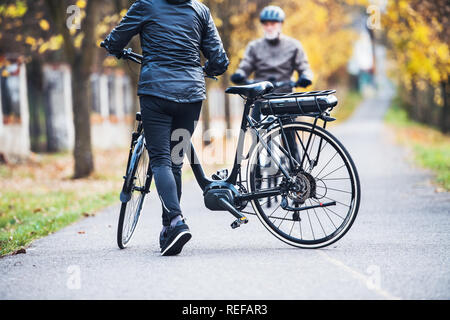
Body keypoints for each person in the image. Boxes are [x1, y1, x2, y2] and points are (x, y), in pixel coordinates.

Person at [102, 0, 229, 256]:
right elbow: (219, 59)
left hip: (157, 94)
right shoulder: (200, 10)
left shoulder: (145, 6)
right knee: (175, 160)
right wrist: (206, 70)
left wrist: (115, 49)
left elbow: (115, 40)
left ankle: (176, 221)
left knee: (160, 160)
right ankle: (169, 229)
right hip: (191, 97)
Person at [231, 5, 313, 166]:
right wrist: (240, 74)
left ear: (280, 24)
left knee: (290, 141)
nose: (269, 27)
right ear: (262, 25)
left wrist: (305, 77)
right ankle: (256, 175)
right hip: (261, 99)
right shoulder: (254, 47)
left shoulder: (293, 46)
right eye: (266, 23)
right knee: (256, 139)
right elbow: (245, 65)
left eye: (273, 23)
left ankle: (295, 170)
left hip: (285, 98)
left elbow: (305, 67)